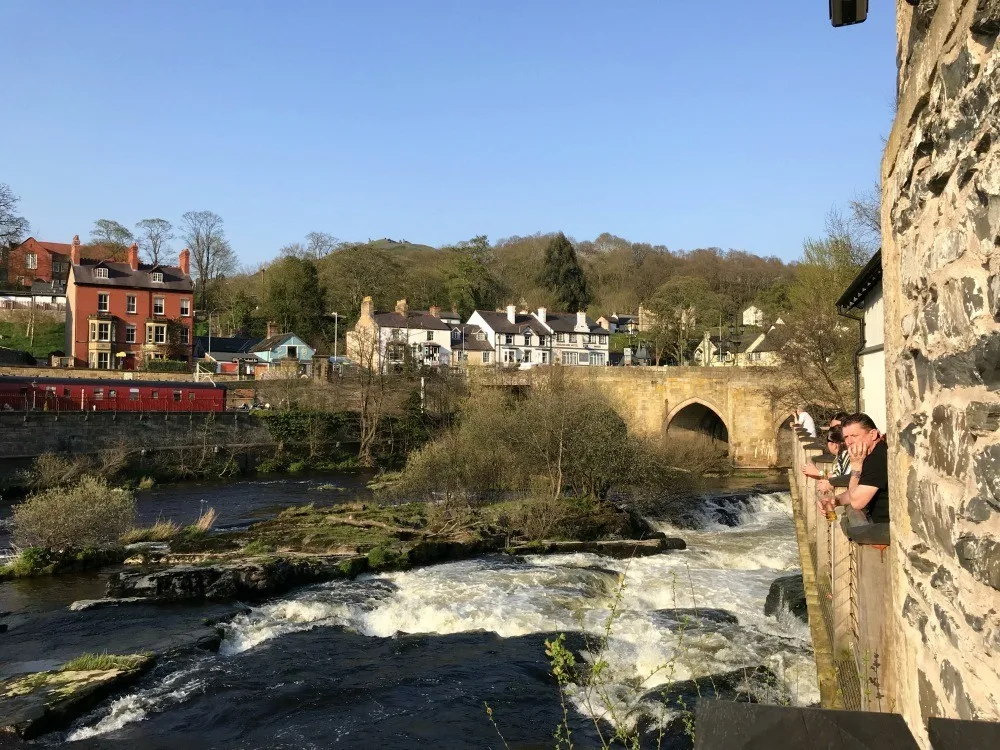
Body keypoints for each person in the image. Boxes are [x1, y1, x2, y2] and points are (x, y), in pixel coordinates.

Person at [820, 413, 889, 537]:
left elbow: (857, 502)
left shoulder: (877, 458)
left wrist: (856, 468)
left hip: (881, 535)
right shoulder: (873, 454)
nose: (849, 442)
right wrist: (836, 500)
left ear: (873, 434)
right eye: (846, 437)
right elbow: (860, 490)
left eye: (854, 436)